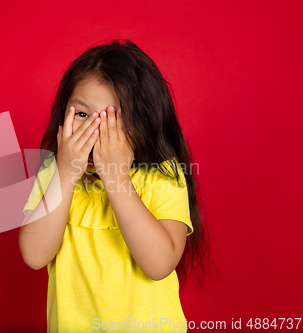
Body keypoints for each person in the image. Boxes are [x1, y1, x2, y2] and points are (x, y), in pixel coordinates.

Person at [18, 39, 212, 333]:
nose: (94, 131)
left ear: (144, 123)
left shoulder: (162, 174)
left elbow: (159, 264)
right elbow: (34, 255)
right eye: (82, 114)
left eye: (113, 120)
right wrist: (66, 174)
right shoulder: (54, 171)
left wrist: (116, 177)